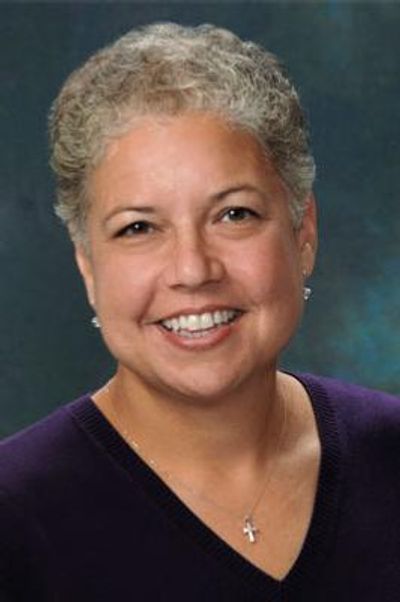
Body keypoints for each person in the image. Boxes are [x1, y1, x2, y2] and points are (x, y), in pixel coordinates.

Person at [0, 22, 399, 601]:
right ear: (88, 265)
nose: (192, 269)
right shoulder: (15, 518)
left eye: (234, 215)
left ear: (303, 232)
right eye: (139, 227)